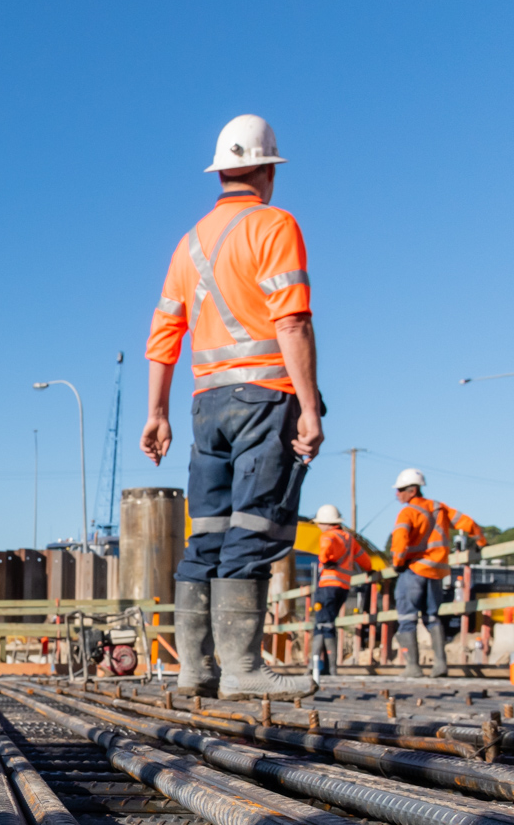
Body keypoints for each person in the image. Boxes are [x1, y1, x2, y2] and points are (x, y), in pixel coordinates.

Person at [142, 114, 323, 701]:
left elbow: (165, 331)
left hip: (204, 405)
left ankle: (196, 669)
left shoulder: (187, 243)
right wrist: (311, 406)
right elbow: (291, 319)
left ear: (221, 173)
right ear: (268, 171)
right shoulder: (274, 225)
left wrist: (157, 412)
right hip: (264, 396)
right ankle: (244, 669)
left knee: (209, 532)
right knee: (254, 525)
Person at [388, 469, 482, 678]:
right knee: (432, 617)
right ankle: (440, 665)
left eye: (400, 490)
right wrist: (481, 542)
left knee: (407, 618)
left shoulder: (408, 512)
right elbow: (468, 523)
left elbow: (401, 539)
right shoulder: (440, 508)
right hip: (437, 572)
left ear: (412, 491)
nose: (397, 494)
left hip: (413, 570)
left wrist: (397, 563)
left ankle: (413, 667)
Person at [311, 504, 370, 676]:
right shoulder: (349, 538)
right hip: (343, 587)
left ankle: (321, 667)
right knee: (329, 623)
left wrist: (326, 559)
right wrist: (370, 569)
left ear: (326, 523)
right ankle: (325, 666)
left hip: (327, 586)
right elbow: (363, 558)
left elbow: (324, 551)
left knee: (322, 624)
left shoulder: (328, 535)